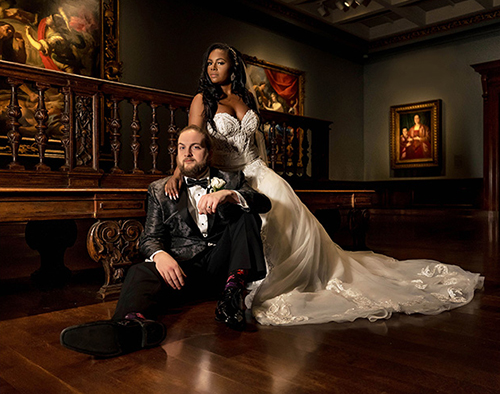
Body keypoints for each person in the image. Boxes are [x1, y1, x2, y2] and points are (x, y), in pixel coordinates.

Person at [165, 42, 484, 326]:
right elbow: (192, 141)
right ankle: (246, 278)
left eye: (219, 62)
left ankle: (303, 275)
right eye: (209, 63)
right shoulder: (201, 100)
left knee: (295, 225)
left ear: (234, 66)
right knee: (258, 225)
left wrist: (265, 172)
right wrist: (178, 173)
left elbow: (257, 140)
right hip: (229, 175)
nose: (213, 68)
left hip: (259, 170)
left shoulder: (247, 97)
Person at [60, 125, 271, 357]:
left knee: (246, 215)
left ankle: (232, 297)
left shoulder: (230, 179)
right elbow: (150, 238)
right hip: (184, 272)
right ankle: (131, 327)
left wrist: (229, 194)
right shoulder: (159, 190)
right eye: (182, 148)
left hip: (224, 267)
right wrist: (160, 256)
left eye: (195, 147)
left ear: (208, 153)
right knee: (140, 271)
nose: (187, 153)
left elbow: (262, 203)